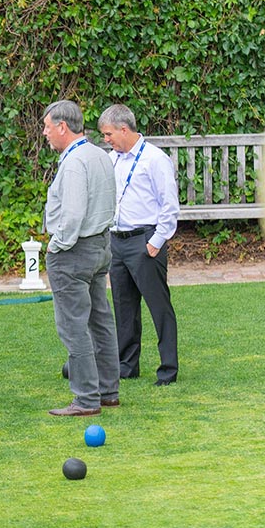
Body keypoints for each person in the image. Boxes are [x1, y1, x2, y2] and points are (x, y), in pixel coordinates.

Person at [42, 100, 120, 416]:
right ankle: (108, 391)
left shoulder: (74, 163)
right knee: (99, 318)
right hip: (101, 245)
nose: (45, 133)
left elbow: (72, 215)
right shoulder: (99, 155)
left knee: (73, 326)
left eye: (47, 126)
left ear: (63, 126)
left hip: (75, 251)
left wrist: (57, 245)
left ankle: (86, 399)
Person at [98, 104, 180, 386]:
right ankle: (126, 365)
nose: (106, 140)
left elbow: (169, 204)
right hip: (117, 242)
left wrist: (156, 241)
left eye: (108, 134)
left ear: (124, 129)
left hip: (145, 242)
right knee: (124, 307)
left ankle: (168, 369)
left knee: (159, 307)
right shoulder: (113, 160)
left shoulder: (155, 159)